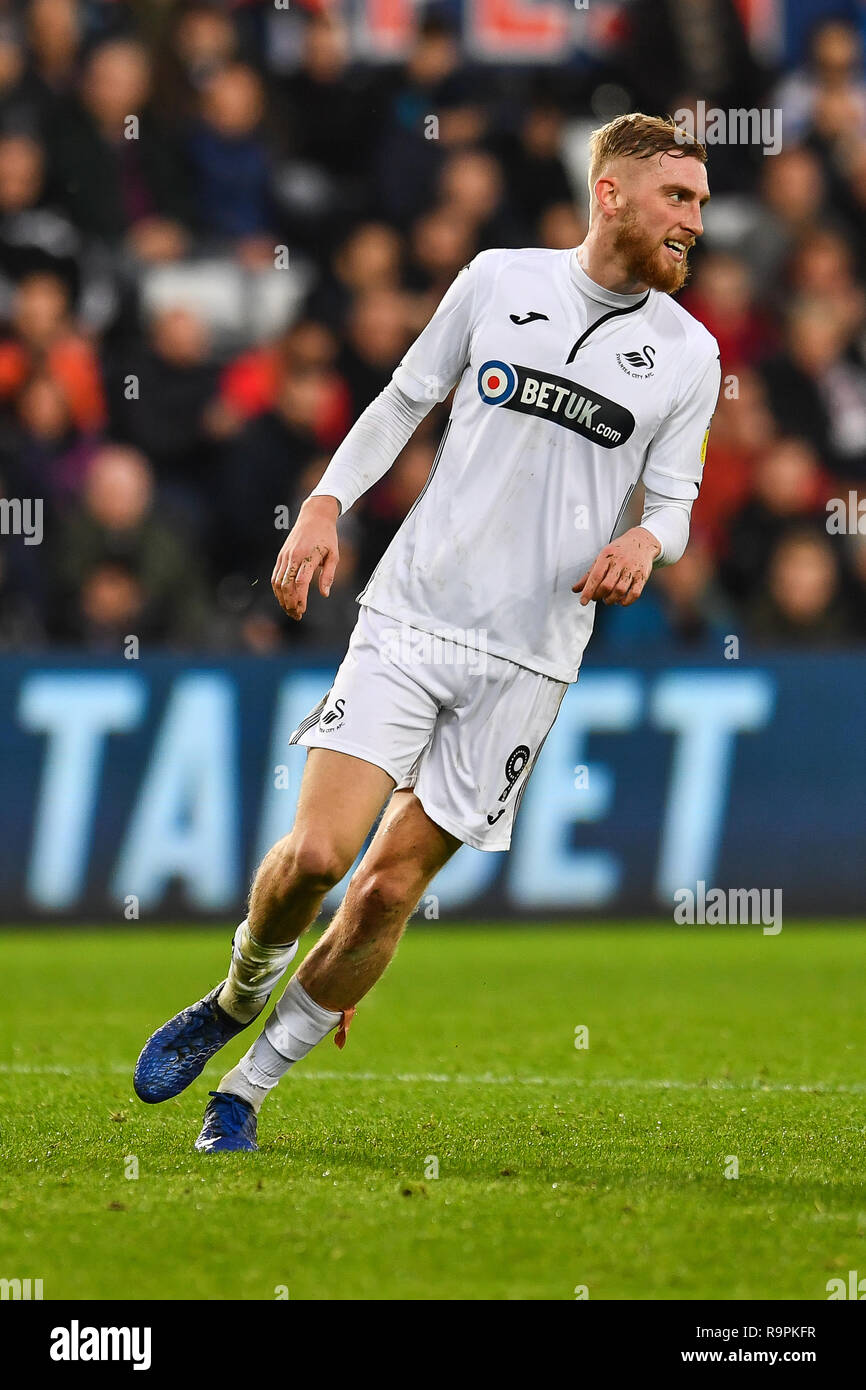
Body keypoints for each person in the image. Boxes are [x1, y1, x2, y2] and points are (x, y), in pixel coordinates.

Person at [133, 113, 721, 1152]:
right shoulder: (497, 280)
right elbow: (406, 396)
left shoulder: (687, 353)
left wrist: (649, 546)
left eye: (702, 203)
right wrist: (324, 504)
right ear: (612, 193)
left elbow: (672, 500)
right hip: (413, 614)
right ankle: (232, 996)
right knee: (317, 852)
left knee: (387, 889)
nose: (694, 221)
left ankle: (249, 1091)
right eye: (677, 198)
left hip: (532, 659)